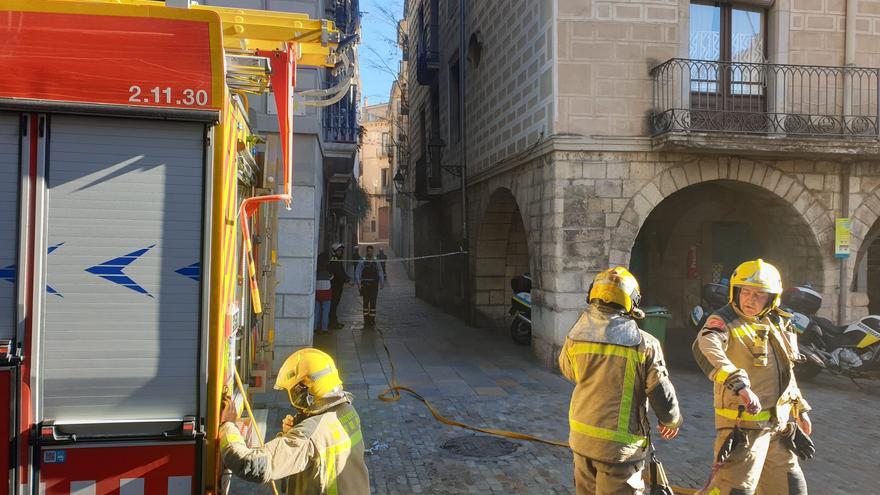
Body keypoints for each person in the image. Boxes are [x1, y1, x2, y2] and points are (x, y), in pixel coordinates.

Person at [558, 267, 682, 495]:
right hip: (620, 450)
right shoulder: (645, 344)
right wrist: (671, 420)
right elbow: (660, 392)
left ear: (592, 296)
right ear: (632, 302)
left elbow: (569, 371)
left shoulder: (575, 337)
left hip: (582, 442)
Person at [693, 259, 813, 495]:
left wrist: (800, 408)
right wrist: (739, 384)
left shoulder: (777, 323)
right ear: (735, 292)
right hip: (744, 432)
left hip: (779, 430)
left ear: (771, 298)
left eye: (759, 294)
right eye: (745, 292)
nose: (750, 299)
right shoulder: (722, 321)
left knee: (792, 489)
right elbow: (706, 346)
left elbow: (786, 370)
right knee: (734, 490)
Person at [219, 348, 370, 494]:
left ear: (304, 390)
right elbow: (324, 447)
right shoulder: (348, 410)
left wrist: (228, 425)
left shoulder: (308, 435)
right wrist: (297, 428)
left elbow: (249, 464)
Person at [354, 245, 385, 328]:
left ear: (373, 252)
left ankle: (372, 320)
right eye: (368, 251)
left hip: (374, 285)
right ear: (366, 252)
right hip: (365, 285)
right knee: (365, 302)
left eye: (371, 251)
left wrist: (382, 282)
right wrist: (358, 283)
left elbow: (380, 271)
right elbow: (357, 272)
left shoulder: (376, 261)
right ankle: (366, 320)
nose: (370, 252)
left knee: (373, 303)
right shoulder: (362, 261)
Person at [328, 243, 349, 330]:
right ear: (334, 251)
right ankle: (332, 323)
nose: (340, 252)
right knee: (333, 305)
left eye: (341, 251)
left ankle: (334, 321)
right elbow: (339, 272)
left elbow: (341, 271)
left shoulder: (337, 260)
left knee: (335, 304)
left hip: (338, 286)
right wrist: (347, 279)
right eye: (339, 251)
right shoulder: (334, 260)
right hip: (334, 287)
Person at [315, 260, 333, 335]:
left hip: (317, 293)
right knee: (325, 311)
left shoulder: (316, 272)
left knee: (316, 311)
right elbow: (332, 277)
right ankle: (324, 328)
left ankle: (315, 328)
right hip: (326, 294)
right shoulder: (328, 273)